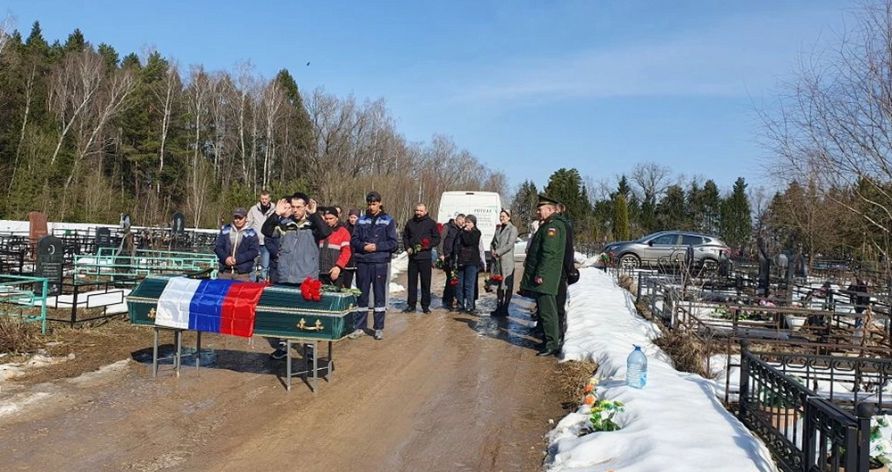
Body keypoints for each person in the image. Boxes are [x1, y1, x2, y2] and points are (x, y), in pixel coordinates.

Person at [262, 192, 331, 359]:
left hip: (307, 277)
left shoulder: (312, 225)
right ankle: (283, 346)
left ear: (305, 207)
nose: (295, 210)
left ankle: (308, 348)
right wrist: (276, 213)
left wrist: (314, 214)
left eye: (299, 207)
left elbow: (325, 232)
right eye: (293, 207)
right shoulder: (285, 225)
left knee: (307, 314)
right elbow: (266, 231)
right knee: (285, 313)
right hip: (286, 275)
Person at [520, 195, 568, 357]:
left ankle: (552, 344)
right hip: (547, 275)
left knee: (548, 311)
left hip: (546, 277)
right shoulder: (549, 224)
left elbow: (549, 253)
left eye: (540, 209)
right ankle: (550, 341)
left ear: (550, 209)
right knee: (546, 310)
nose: (538, 212)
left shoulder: (552, 227)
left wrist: (540, 273)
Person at [348, 191, 399, 341]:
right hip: (363, 261)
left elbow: (393, 244)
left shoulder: (388, 220)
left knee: (379, 295)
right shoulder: (361, 220)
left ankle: (378, 327)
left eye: (374, 204)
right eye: (369, 204)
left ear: (380, 203)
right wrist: (364, 247)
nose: (371, 207)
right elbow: (354, 240)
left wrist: (376, 247)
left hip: (379, 262)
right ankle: (360, 326)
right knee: (362, 296)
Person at [402, 203, 441, 314]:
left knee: (425, 283)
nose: (418, 213)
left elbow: (437, 238)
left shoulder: (431, 223)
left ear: (425, 211)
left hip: (425, 257)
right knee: (412, 283)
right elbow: (405, 236)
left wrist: (428, 245)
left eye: (420, 211)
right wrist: (408, 247)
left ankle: (425, 306)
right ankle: (411, 305)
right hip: (413, 258)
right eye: (416, 210)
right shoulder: (410, 222)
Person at [213, 207, 260, 281]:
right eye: (235, 218)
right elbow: (218, 247)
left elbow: (254, 251)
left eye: (240, 218)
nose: (237, 220)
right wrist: (226, 258)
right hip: (224, 273)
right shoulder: (225, 229)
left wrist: (237, 259)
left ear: (245, 218)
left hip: (243, 274)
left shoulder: (252, 233)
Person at [490, 209, 518, 317]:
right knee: (498, 285)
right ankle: (499, 306)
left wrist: (498, 252)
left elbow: (510, 244)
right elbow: (493, 242)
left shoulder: (513, 229)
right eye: (500, 216)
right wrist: (492, 250)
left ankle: (506, 307)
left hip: (506, 261)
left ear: (509, 217)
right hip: (497, 261)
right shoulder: (498, 229)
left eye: (504, 216)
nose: (502, 218)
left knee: (507, 285)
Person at [318, 207, 352, 287]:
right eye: (326, 218)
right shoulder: (320, 232)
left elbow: (346, 252)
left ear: (337, 218)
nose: (328, 221)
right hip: (320, 272)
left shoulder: (343, 232)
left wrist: (338, 267)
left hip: (335, 272)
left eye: (331, 218)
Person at [456, 214, 482, 313]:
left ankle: (470, 305)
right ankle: (460, 304)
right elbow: (457, 244)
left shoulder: (477, 233)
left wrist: (465, 233)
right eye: (466, 222)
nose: (466, 224)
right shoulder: (461, 232)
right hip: (462, 261)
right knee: (460, 284)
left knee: (469, 284)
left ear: (473, 223)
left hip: (472, 261)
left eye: (469, 222)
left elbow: (468, 242)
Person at [246, 190, 275, 281]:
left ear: (269, 199)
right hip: (254, 242)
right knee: (252, 264)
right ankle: (251, 283)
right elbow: (248, 224)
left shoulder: (274, 210)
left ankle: (262, 283)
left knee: (265, 266)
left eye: (266, 199)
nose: (264, 201)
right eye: (262, 199)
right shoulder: (253, 209)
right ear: (260, 199)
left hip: (267, 242)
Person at [440, 214, 465, 311]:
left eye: (464, 222)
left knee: (452, 278)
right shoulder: (447, 227)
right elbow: (442, 240)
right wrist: (441, 253)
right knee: (450, 277)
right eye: (461, 221)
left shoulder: (460, 229)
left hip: (456, 257)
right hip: (447, 256)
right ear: (456, 220)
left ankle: (449, 298)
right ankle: (447, 299)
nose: (462, 223)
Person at [342, 209, 360, 288]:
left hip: (358, 259)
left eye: (355, 217)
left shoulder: (361, 228)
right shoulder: (345, 228)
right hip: (348, 260)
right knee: (346, 283)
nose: (352, 219)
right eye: (351, 217)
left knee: (360, 283)